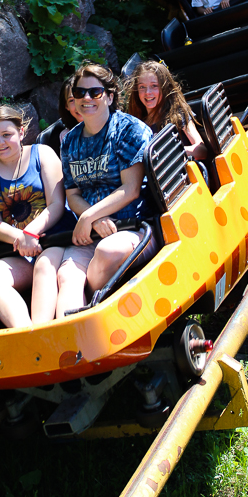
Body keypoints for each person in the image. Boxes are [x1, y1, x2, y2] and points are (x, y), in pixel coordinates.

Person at [56, 64, 156, 317]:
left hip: (135, 226)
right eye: (80, 93)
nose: (86, 99)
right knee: (67, 274)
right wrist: (95, 218)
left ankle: (92, 315)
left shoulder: (129, 130)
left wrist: (88, 217)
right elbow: (73, 194)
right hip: (95, 229)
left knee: (107, 252)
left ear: (110, 97)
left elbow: (131, 189)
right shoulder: (70, 141)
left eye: (95, 92)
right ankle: (63, 340)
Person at [0, 105, 72, 329]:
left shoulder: (42, 154)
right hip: (17, 248)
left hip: (53, 238)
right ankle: (27, 335)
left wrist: (31, 233)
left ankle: (41, 330)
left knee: (44, 267)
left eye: (6, 135)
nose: (0, 143)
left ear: (21, 132)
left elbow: (57, 204)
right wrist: (20, 237)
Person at [126, 60, 208, 160]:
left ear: (165, 88)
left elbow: (201, 150)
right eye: (142, 87)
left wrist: (169, 152)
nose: (147, 92)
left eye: (154, 86)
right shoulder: (137, 124)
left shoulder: (178, 114)